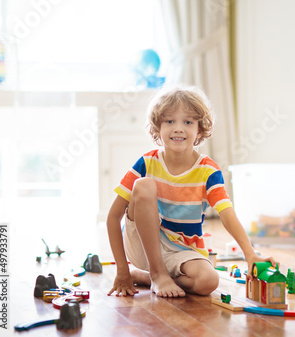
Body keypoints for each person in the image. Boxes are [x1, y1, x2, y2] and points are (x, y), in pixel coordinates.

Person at [106, 85, 276, 298]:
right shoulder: (147, 162)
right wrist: (121, 271)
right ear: (158, 127)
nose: (178, 128)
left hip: (182, 249)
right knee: (144, 185)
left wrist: (250, 255)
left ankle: (147, 277)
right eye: (170, 121)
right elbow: (113, 217)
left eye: (187, 122)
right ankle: (157, 274)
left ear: (200, 130)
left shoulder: (208, 170)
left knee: (209, 281)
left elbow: (227, 214)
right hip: (142, 244)